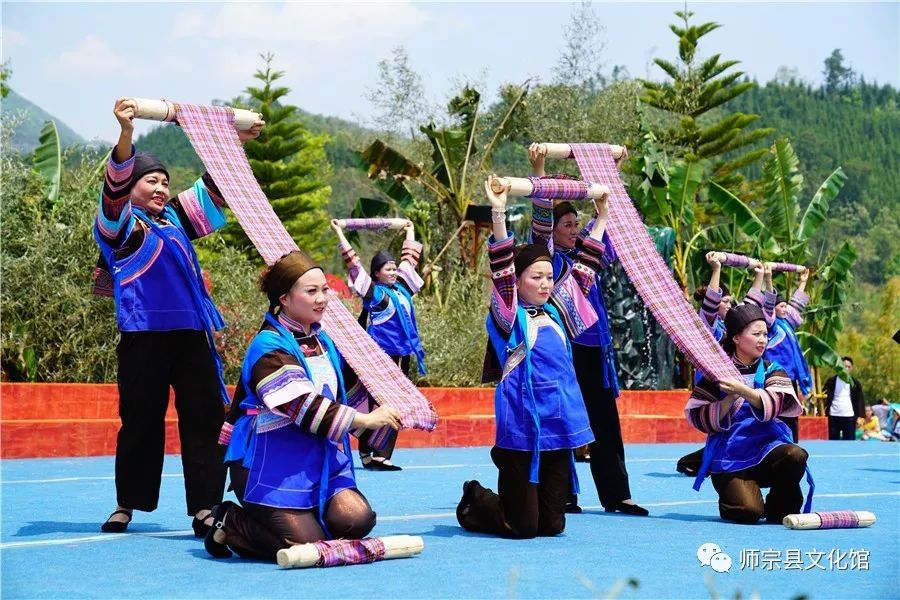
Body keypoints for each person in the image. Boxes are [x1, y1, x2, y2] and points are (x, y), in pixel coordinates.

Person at [97, 98, 263, 534]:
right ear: (130, 186)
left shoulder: (174, 219)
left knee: (206, 420)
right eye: (150, 180)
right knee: (140, 420)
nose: (160, 188)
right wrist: (127, 134)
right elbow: (111, 190)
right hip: (144, 336)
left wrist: (234, 141)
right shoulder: (119, 226)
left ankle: (205, 507)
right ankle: (127, 504)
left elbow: (218, 187)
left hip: (192, 335)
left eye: (164, 181)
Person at [205, 250, 402, 560]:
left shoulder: (323, 340)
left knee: (357, 520)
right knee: (305, 545)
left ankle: (306, 515)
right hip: (269, 463)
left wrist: (401, 404)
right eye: (311, 291)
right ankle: (231, 522)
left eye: (325, 289)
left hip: (318, 459)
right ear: (284, 298)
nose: (322, 298)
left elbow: (353, 390)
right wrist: (365, 422)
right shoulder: (268, 347)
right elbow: (301, 405)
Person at [455, 176, 599, 539]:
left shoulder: (559, 312)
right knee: (523, 528)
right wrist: (499, 210)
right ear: (518, 282)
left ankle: (521, 496)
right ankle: (475, 497)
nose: (547, 283)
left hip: (558, 424)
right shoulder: (509, 317)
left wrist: (605, 215)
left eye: (550, 276)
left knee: (552, 525)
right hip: (522, 427)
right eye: (537, 277)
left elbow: (584, 271)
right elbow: (501, 267)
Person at [526, 144, 648, 516]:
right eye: (567, 225)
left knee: (605, 421)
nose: (573, 230)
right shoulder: (547, 258)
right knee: (561, 416)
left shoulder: (585, 254)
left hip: (594, 347)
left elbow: (610, 231)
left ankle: (618, 495)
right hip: (561, 348)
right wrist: (540, 166)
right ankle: (563, 494)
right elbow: (542, 216)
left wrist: (612, 176)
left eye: (576, 224)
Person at [686, 304, 811, 524]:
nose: (763, 340)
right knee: (748, 512)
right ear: (736, 338)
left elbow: (777, 405)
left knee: (795, 455)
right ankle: (735, 495)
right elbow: (699, 416)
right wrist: (729, 399)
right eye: (756, 334)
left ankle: (780, 506)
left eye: (765, 334)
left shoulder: (773, 368)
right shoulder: (716, 375)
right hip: (729, 457)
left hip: (766, 450)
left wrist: (743, 391)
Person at [330, 219, 425, 471]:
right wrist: (339, 232)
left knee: (394, 403)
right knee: (381, 403)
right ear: (376, 274)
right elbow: (353, 266)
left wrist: (409, 228)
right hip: (381, 358)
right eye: (388, 269)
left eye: (395, 269)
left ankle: (372, 454)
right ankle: (376, 454)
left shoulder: (403, 289)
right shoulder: (375, 293)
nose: (394, 272)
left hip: (403, 356)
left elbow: (410, 258)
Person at [677, 258, 774, 476]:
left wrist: (760, 275)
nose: (729, 305)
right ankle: (709, 459)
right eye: (725, 301)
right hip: (715, 382)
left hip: (737, 381)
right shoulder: (707, 327)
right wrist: (718, 269)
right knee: (719, 422)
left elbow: (751, 308)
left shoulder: (733, 327)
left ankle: (710, 458)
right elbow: (710, 304)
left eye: (730, 301)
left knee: (736, 425)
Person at [764, 267, 813, 442]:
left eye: (786, 306)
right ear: (773, 309)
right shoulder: (770, 326)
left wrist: (803, 282)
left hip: (790, 376)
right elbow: (768, 306)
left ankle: (792, 442)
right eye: (782, 306)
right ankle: (778, 441)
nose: (786, 309)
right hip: (776, 376)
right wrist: (768, 279)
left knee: (792, 410)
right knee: (779, 410)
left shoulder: (787, 324)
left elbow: (797, 305)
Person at [824, 356, 865, 440]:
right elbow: (824, 395)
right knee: (833, 441)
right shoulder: (831, 381)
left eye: (848, 366)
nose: (846, 368)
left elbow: (860, 399)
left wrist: (860, 416)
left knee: (849, 442)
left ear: (851, 368)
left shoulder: (855, 383)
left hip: (849, 416)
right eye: (844, 366)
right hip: (834, 415)